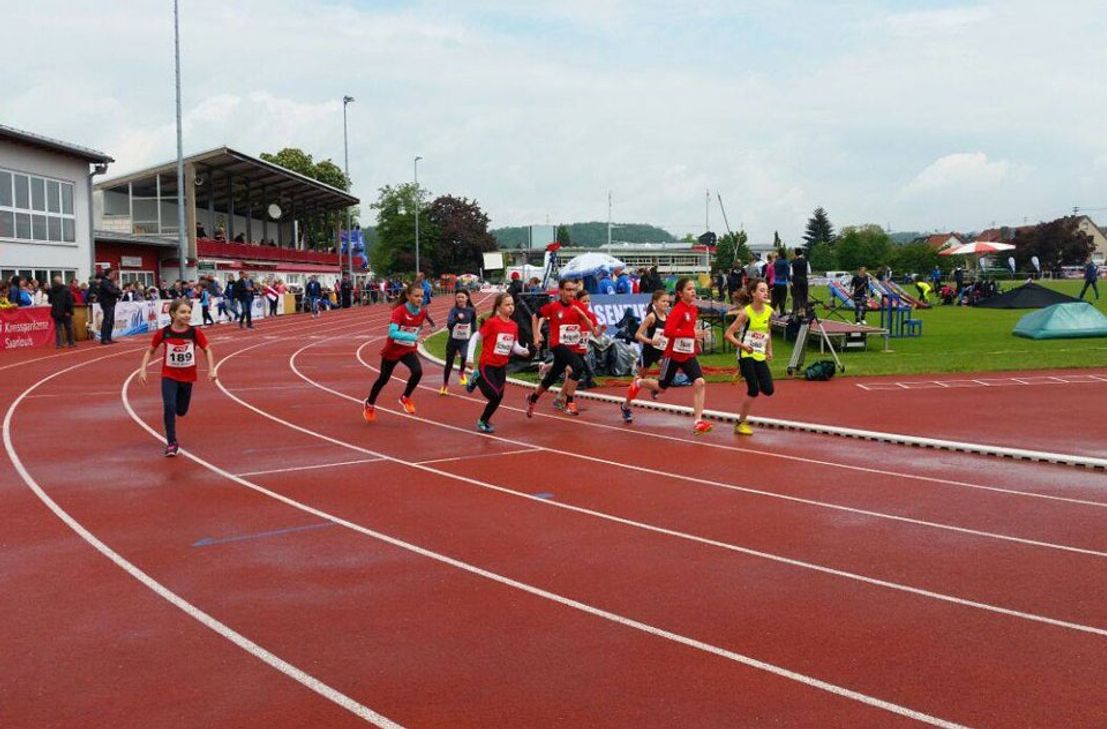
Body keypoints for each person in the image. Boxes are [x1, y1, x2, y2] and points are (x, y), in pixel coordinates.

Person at [622, 277, 712, 434]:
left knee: (700, 382)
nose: (693, 291)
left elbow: (687, 332)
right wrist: (691, 333)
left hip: (687, 354)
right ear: (680, 293)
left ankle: (698, 421)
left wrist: (695, 339)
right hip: (671, 355)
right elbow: (669, 332)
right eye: (689, 289)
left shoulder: (693, 309)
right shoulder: (677, 310)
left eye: (693, 288)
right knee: (662, 387)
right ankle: (640, 383)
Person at [138, 298, 216, 457]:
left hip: (187, 377)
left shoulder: (194, 332)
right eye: (182, 312)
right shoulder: (164, 332)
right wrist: (143, 369)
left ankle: (174, 431)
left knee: (181, 410)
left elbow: (207, 349)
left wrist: (211, 370)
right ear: (173, 313)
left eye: (188, 312)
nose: (186, 315)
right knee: (169, 406)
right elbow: (150, 351)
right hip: (169, 376)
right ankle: (172, 443)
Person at [526, 278, 595, 417]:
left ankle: (533, 398)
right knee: (578, 366)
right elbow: (535, 316)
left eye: (574, 290)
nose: (571, 293)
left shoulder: (579, 306)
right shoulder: (553, 307)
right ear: (561, 291)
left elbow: (591, 328)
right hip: (558, 345)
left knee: (552, 377)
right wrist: (536, 336)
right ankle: (570, 403)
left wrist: (582, 315)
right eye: (568, 290)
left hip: (572, 347)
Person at [465, 292, 532, 433]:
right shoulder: (492, 323)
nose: (511, 307)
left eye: (512, 304)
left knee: (498, 398)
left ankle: (483, 421)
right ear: (498, 307)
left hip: (501, 366)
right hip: (487, 364)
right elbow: (474, 338)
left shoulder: (514, 325)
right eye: (507, 305)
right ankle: (476, 378)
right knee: (494, 395)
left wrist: (523, 351)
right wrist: (469, 358)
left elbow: (514, 345)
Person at [363, 283, 430, 421]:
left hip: (408, 349)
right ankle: (369, 404)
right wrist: (413, 337)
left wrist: (416, 337)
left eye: (422, 296)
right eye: (416, 296)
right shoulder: (399, 311)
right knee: (383, 379)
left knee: (417, 371)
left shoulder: (422, 312)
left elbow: (416, 328)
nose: (420, 299)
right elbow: (392, 333)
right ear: (408, 296)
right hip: (392, 350)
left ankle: (405, 397)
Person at [725, 279, 774, 436]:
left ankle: (744, 372)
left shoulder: (769, 311)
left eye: (766, 290)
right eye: (761, 290)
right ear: (753, 293)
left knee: (768, 389)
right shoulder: (746, 313)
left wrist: (769, 350)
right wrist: (743, 346)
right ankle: (740, 423)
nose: (765, 293)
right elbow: (728, 334)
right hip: (745, 353)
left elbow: (767, 331)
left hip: (759, 353)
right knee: (753, 390)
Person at [441, 290, 477, 394]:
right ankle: (445, 385)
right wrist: (457, 318)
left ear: (467, 298)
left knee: (465, 357)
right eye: (458, 297)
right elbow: (449, 325)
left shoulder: (471, 310)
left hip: (465, 340)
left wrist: (475, 334)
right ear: (456, 299)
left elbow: (474, 323)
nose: (460, 299)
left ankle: (461, 372)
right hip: (453, 341)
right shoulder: (454, 310)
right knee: (449, 364)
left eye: (462, 297)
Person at [48, 276, 76, 348]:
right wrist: (69, 311)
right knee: (68, 327)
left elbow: (49, 300)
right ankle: (71, 342)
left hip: (56, 311)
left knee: (58, 328)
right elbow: (69, 301)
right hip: (65, 311)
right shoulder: (66, 290)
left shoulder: (51, 290)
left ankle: (59, 344)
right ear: (61, 281)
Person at [98, 269, 122, 344]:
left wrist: (117, 291)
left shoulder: (111, 282)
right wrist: (117, 292)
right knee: (107, 321)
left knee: (111, 321)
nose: (114, 276)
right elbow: (111, 291)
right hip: (106, 303)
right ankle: (104, 338)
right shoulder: (104, 282)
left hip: (112, 303)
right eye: (113, 274)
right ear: (109, 274)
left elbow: (118, 291)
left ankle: (108, 337)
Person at [790, 248, 809, 318]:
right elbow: (808, 271)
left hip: (796, 281)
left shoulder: (793, 262)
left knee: (796, 296)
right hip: (804, 280)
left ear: (795, 254)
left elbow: (791, 273)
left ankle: (797, 311)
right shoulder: (806, 261)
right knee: (804, 295)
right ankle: (804, 310)